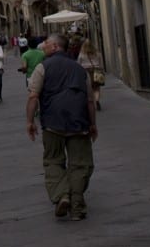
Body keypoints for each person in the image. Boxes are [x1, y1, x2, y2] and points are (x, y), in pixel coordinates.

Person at [26, 33, 98, 220]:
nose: (43, 46)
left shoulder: (43, 67)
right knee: (80, 165)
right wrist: (93, 124)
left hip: (52, 122)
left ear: (56, 47)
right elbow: (90, 101)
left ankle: (62, 195)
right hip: (79, 121)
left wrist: (30, 121)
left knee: (53, 161)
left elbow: (33, 96)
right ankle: (77, 207)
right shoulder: (79, 69)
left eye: (47, 44)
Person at [78, 38, 105, 111]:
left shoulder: (81, 54)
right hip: (97, 70)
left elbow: (79, 64)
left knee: (88, 88)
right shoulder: (98, 53)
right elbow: (101, 63)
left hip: (86, 71)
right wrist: (102, 71)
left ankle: (91, 102)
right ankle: (96, 100)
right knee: (97, 88)